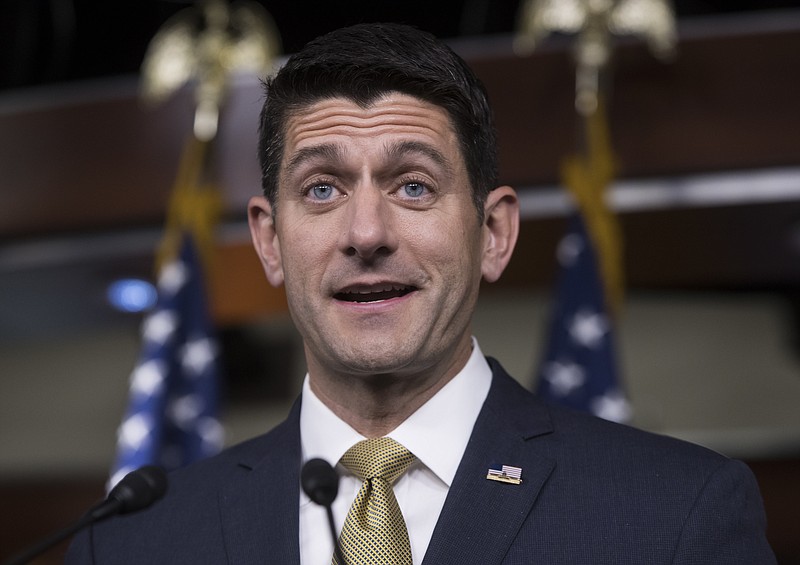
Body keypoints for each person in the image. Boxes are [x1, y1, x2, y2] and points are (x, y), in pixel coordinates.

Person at [66, 22, 776, 564]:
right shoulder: (134, 542)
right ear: (268, 241)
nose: (366, 232)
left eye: (413, 185)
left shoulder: (674, 515)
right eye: (322, 188)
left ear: (493, 232)